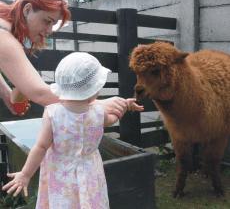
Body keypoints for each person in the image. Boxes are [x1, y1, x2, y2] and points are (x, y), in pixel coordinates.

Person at [2, 52, 144, 209]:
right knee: (92, 202)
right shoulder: (98, 112)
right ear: (94, 90)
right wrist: (125, 105)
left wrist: (25, 174)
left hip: (61, 174)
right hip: (90, 172)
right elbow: (113, 118)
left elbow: (41, 147)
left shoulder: (53, 113)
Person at [0, 0, 128, 117]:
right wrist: (97, 105)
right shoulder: (4, 36)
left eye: (53, 24)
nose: (49, 31)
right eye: (47, 21)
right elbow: (39, 93)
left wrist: (5, 93)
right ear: (27, 10)